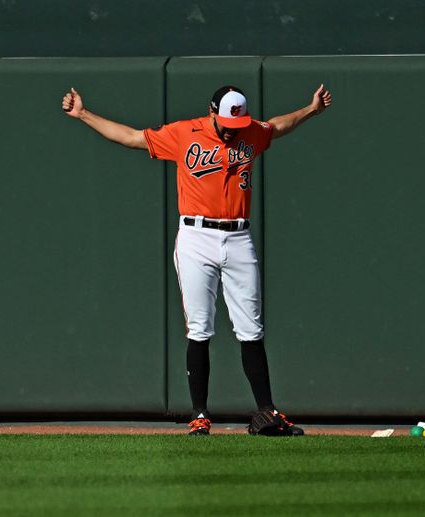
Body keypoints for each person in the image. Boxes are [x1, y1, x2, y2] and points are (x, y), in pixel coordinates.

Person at [62, 83, 332, 436]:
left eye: (238, 124)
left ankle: (268, 411)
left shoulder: (250, 131)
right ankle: (200, 415)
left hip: (238, 236)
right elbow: (130, 137)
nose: (233, 130)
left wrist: (310, 110)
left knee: (251, 329)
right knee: (199, 328)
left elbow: (277, 126)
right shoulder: (184, 133)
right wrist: (83, 114)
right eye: (226, 123)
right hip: (196, 236)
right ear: (212, 113)